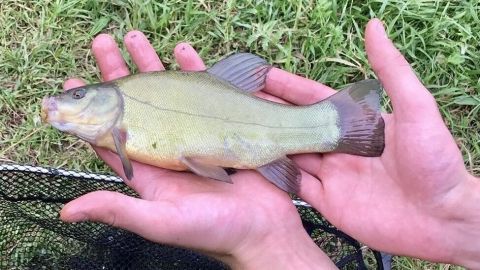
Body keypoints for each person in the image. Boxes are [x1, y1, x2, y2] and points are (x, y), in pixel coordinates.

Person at [59, 19, 480, 269]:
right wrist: (455, 215)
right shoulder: (118, 126)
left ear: (104, 99)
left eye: (78, 97)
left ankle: (332, 126)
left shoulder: (121, 127)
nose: (69, 101)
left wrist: (454, 211)